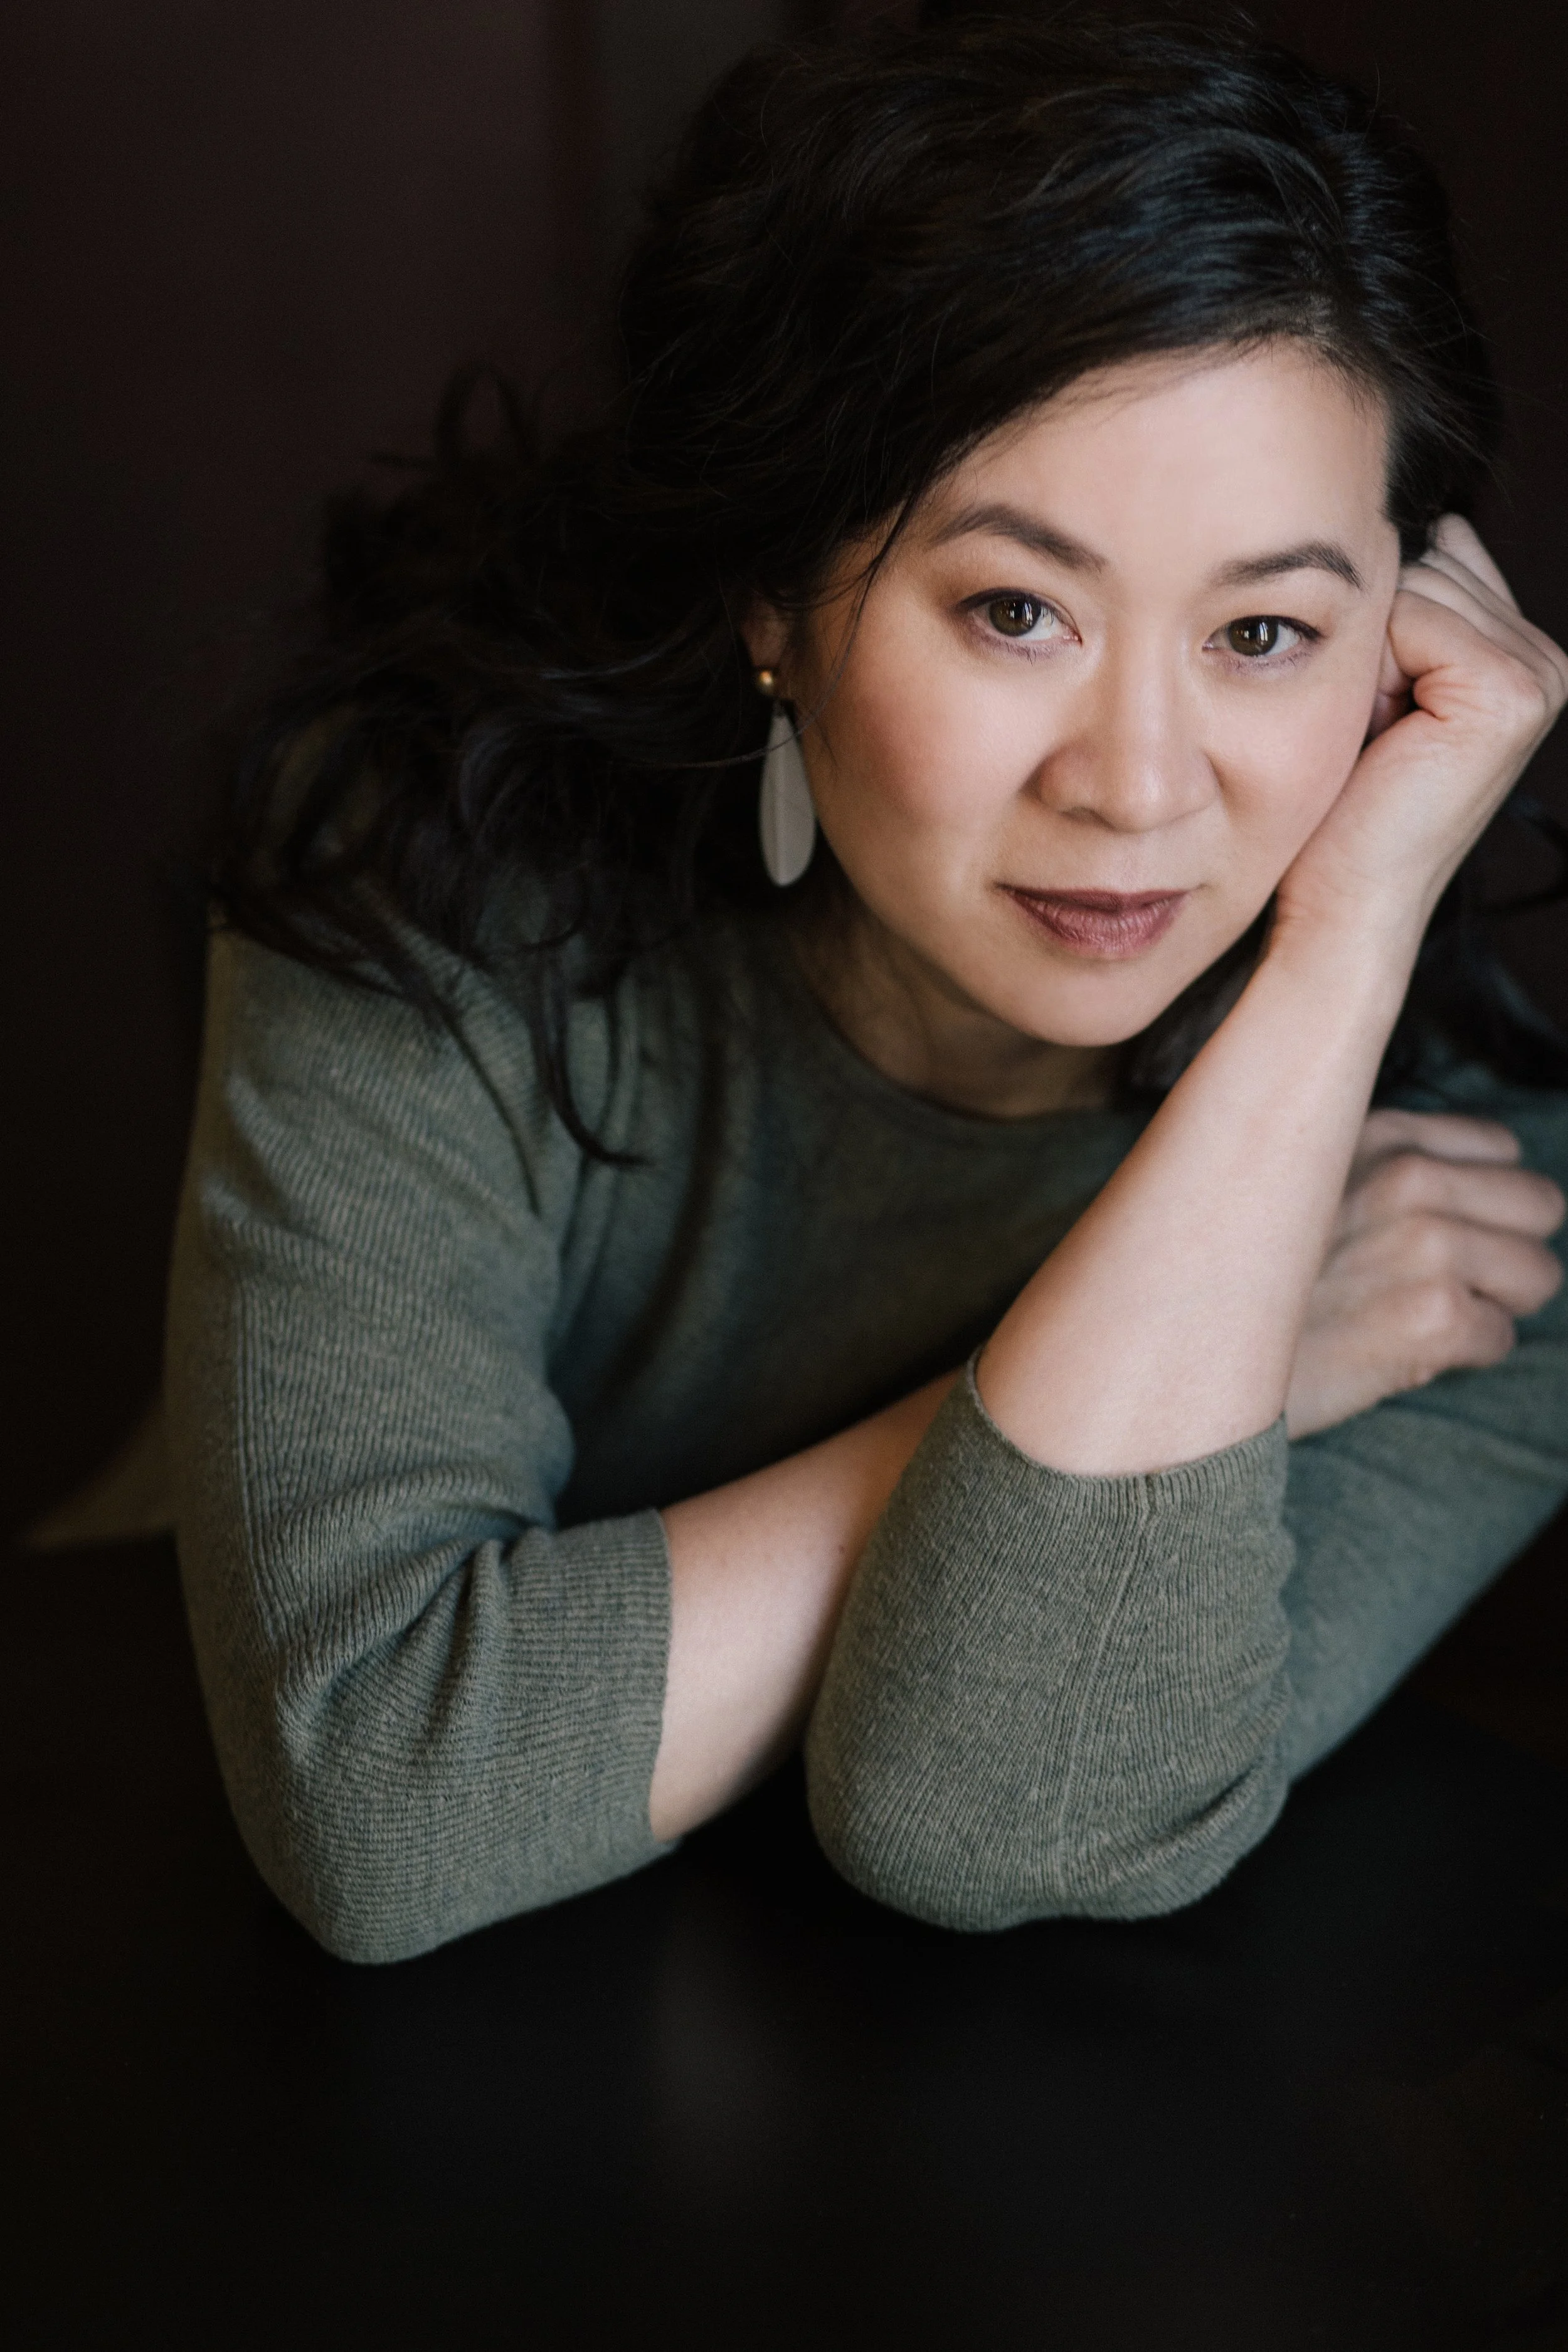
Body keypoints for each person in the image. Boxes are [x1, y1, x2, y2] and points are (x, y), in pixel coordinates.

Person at [167, 11, 1568, 1964]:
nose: (1138, 783)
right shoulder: (431, 886)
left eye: (1264, 631)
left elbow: (999, 1815)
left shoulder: (1458, 1238)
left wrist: (1339, 960)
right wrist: (1256, 1364)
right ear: (774, 602)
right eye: (1015, 609)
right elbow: (377, 1795)